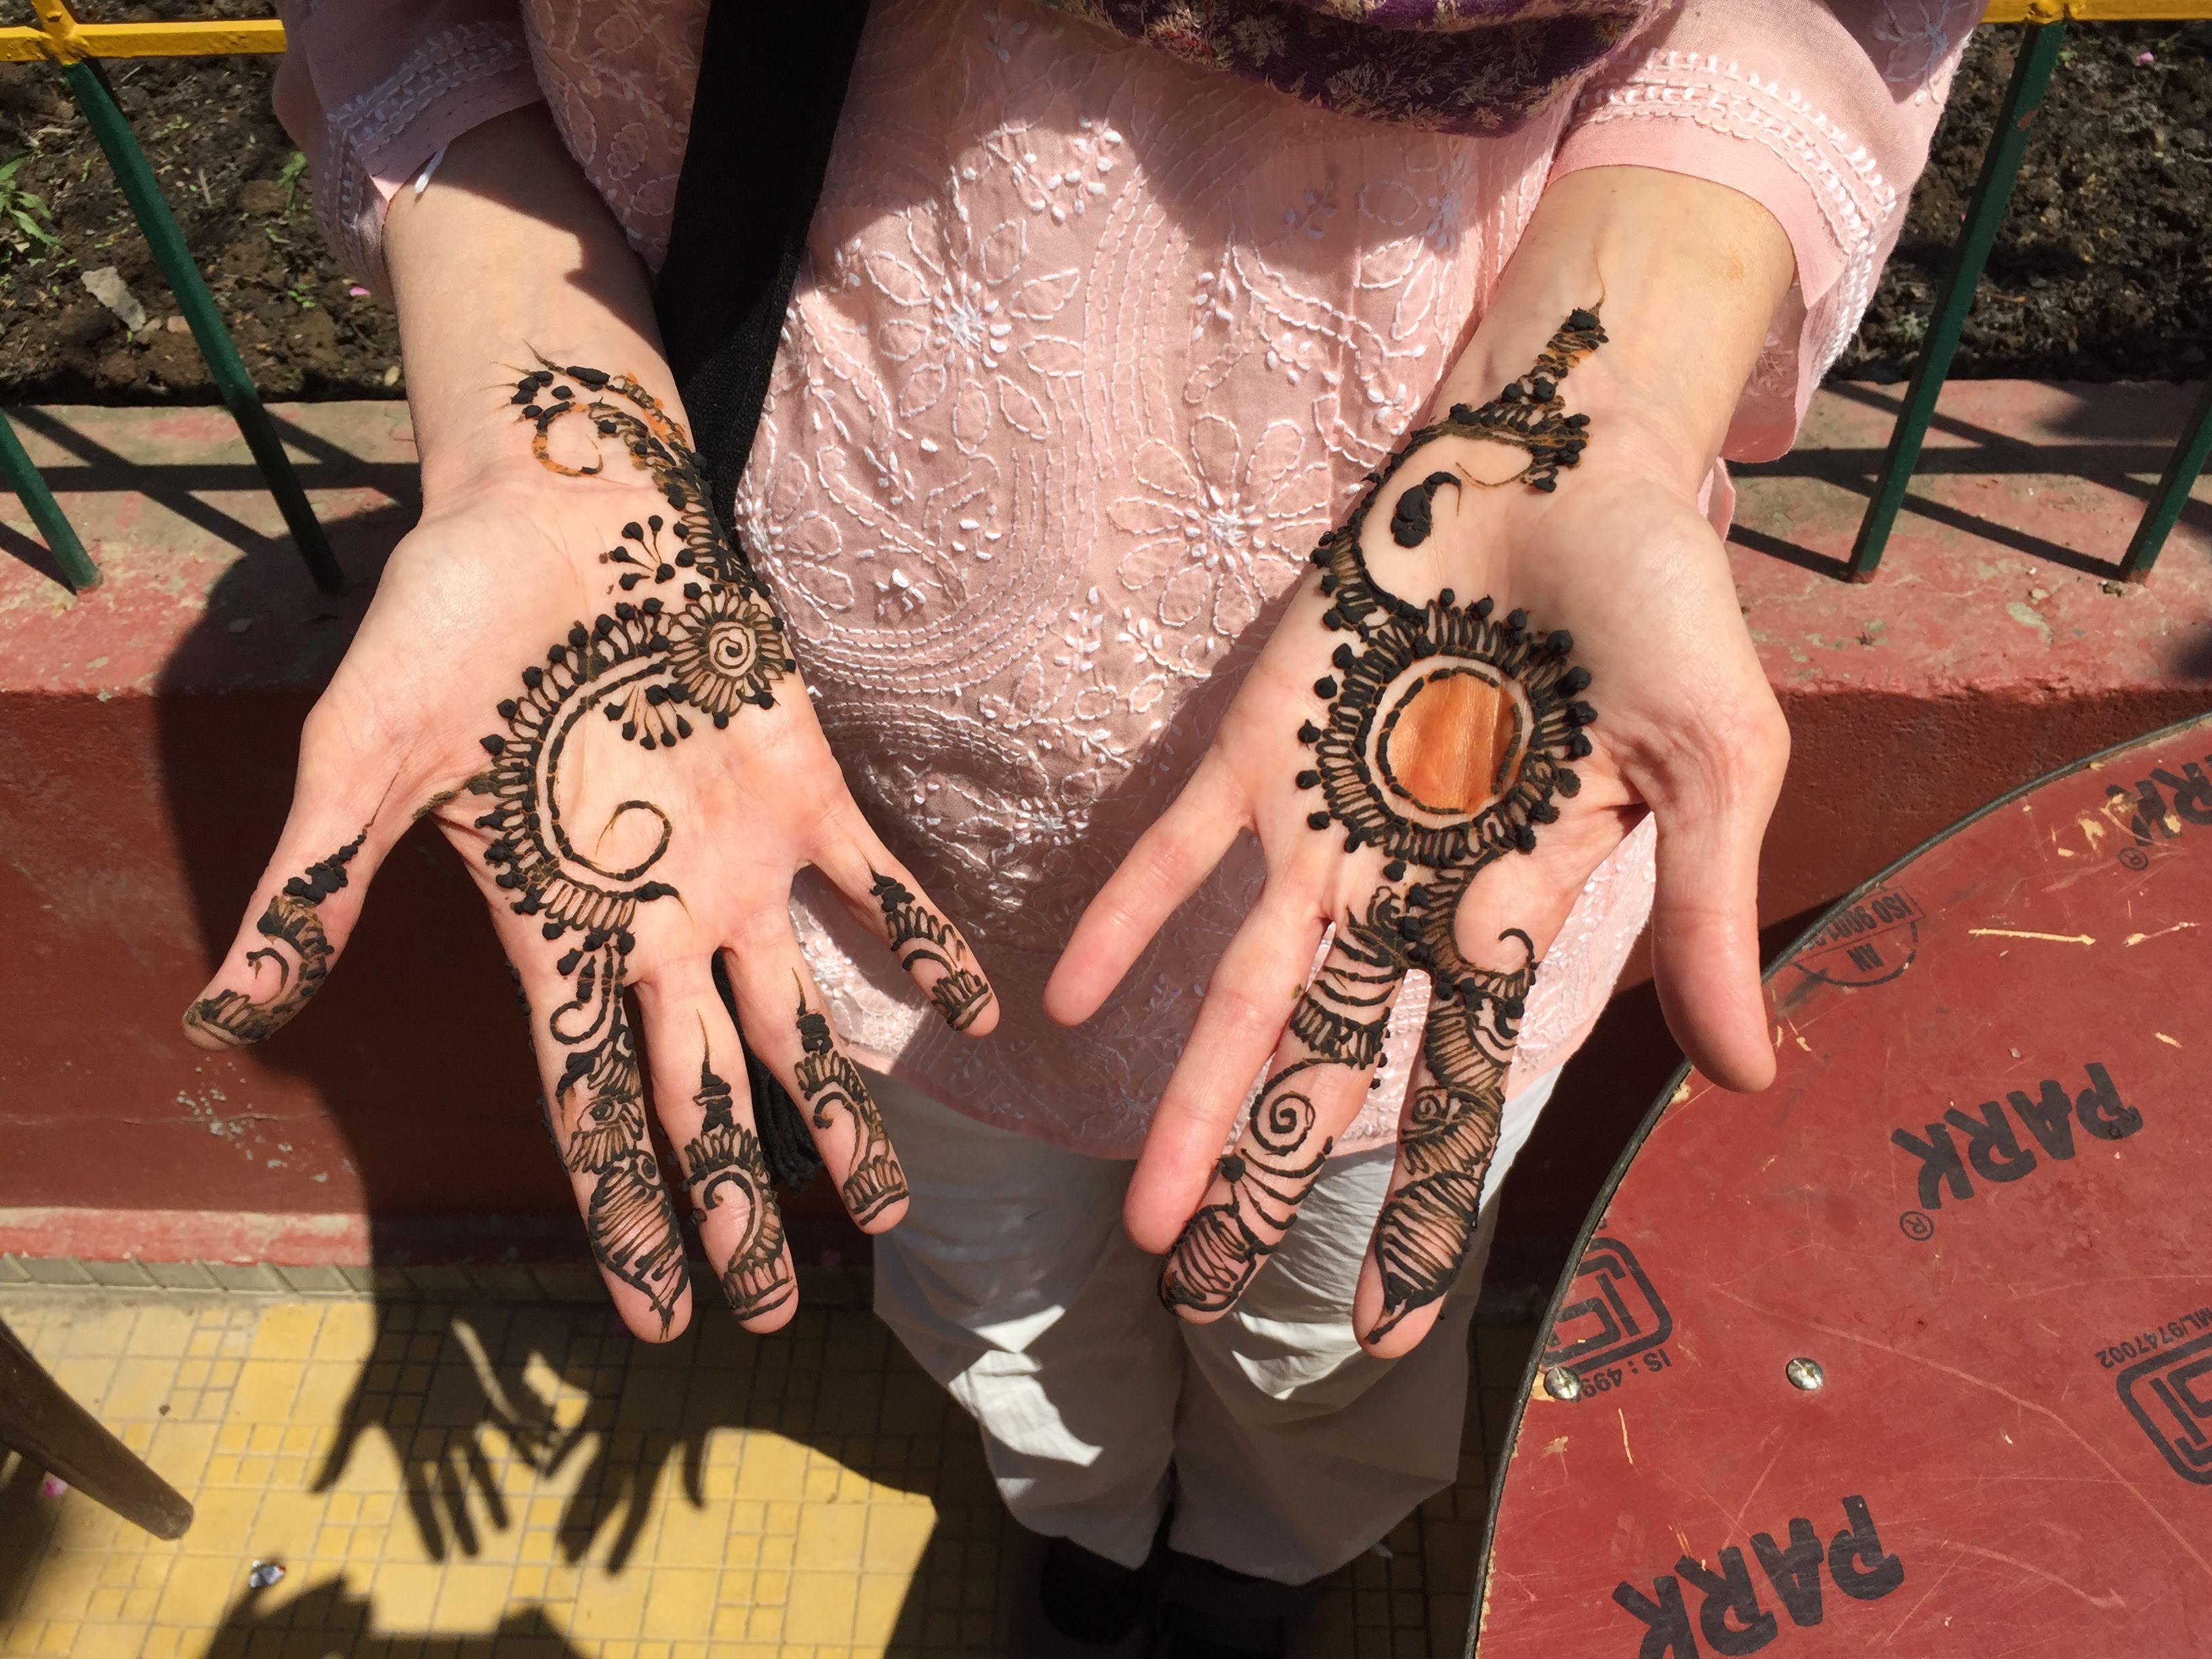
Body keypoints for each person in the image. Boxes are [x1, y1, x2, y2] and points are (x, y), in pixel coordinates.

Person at [188, 0, 1979, 1649]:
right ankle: (1090, 1521)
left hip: (1417, 834)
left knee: (1331, 1315)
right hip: (815, 809)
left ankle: (1264, 1559)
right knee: (988, 1290)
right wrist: (531, 429)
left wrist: (1601, 403)